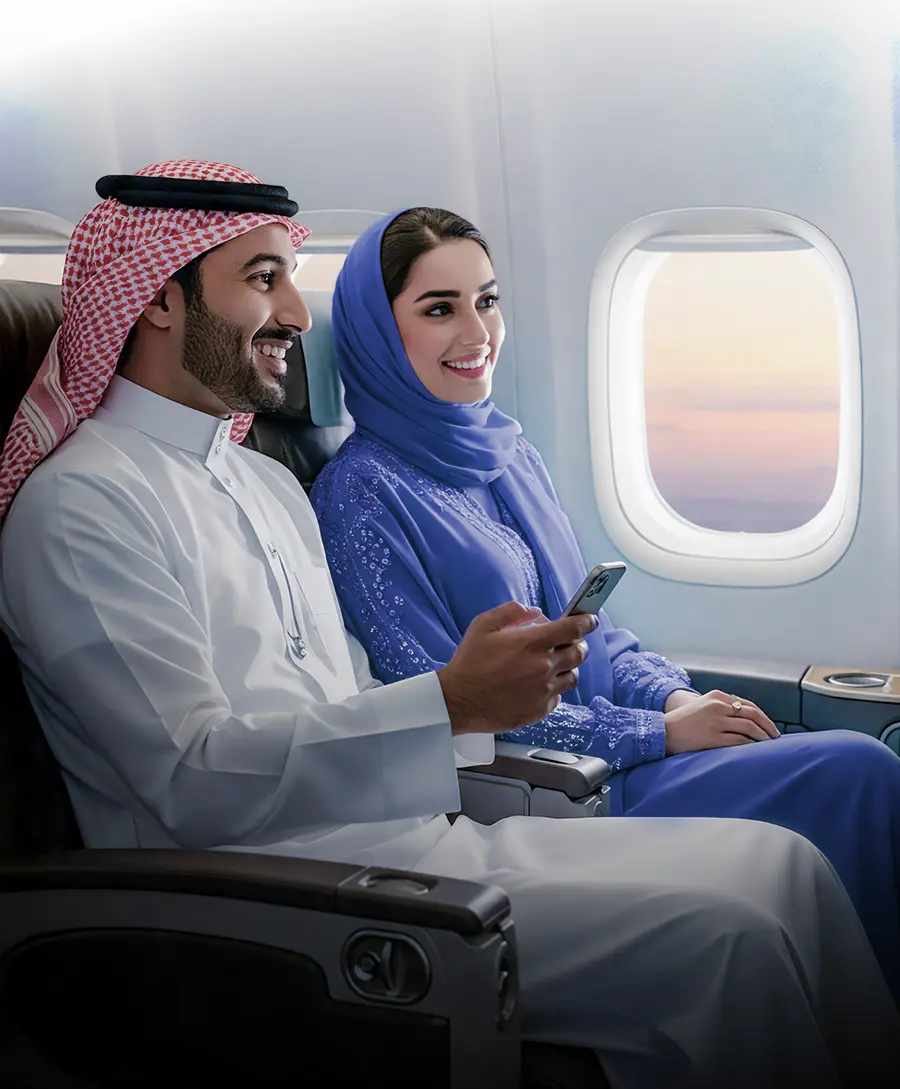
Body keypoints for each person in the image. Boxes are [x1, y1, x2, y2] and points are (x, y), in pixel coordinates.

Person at [0, 163, 897, 1089]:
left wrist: (475, 711)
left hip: (415, 834)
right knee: (732, 934)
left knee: (783, 866)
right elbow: (188, 782)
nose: (301, 318)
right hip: (277, 894)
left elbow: (347, 695)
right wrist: (452, 700)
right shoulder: (81, 510)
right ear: (155, 300)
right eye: (263, 279)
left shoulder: (262, 481)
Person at [311, 206, 900, 1000]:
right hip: (557, 781)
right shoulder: (360, 493)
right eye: (438, 308)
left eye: (487, 300)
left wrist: (677, 694)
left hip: (620, 745)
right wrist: (657, 733)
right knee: (858, 770)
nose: (477, 331)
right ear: (380, 333)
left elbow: (592, 631)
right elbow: (437, 703)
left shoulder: (506, 451)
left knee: (856, 771)